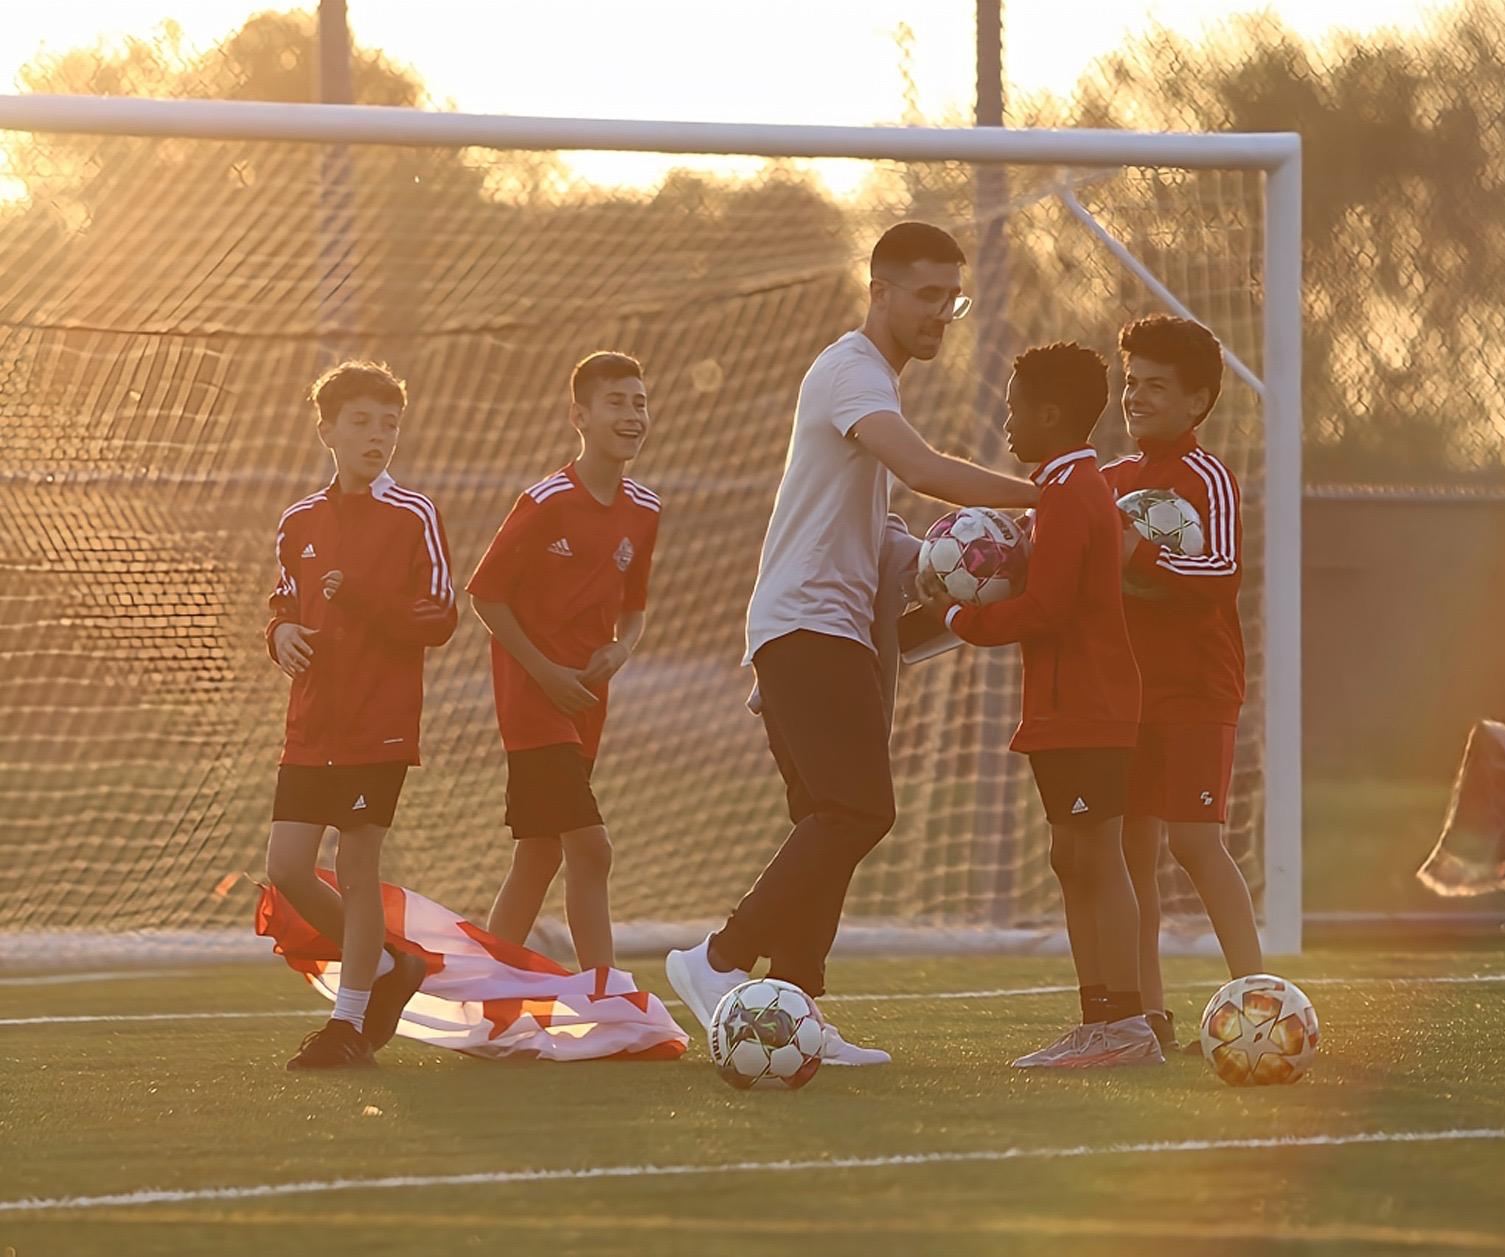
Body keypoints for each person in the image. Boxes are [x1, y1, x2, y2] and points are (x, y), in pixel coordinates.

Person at [665, 221, 1039, 1065]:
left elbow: (882, 535)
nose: (942, 314)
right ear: (878, 292)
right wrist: (1043, 496)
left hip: (815, 633)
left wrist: (952, 569)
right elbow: (924, 469)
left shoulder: (873, 384)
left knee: (825, 818)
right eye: (926, 296)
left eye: (954, 299)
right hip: (808, 627)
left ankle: (796, 1010)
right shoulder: (851, 371)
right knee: (857, 809)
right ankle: (715, 958)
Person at [925, 341, 1163, 1069]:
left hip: (1087, 704)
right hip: (1063, 709)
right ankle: (1099, 1019)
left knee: (1100, 856)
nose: (1005, 421)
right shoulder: (1061, 485)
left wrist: (964, 621)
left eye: (1013, 406)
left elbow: (1050, 606)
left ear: (1050, 413)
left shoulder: (1068, 490)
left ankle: (1126, 1025)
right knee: (1071, 857)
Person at [264, 360, 456, 1069]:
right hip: (312, 722)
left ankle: (349, 1025)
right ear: (328, 431)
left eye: (390, 423)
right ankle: (385, 967)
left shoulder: (414, 514)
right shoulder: (298, 520)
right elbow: (284, 600)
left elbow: (441, 615)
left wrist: (365, 597)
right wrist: (280, 633)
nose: (379, 435)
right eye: (363, 422)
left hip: (379, 723)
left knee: (356, 865)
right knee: (286, 866)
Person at [1101, 315, 1262, 1054]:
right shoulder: (1110, 481)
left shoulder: (1208, 479)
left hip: (1197, 690)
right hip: (1128, 694)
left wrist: (1138, 552)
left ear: (1197, 402)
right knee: (1130, 856)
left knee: (1196, 842)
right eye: (1131, 383)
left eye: (1156, 387)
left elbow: (1219, 571)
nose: (1136, 397)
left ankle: (1257, 999)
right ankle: (1149, 1016)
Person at [467, 352, 660, 971]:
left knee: (540, 854)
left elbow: (634, 608)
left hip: (585, 704)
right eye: (616, 403)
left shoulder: (645, 509)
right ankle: (604, 991)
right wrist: (545, 671)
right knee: (591, 848)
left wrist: (621, 649)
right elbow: (486, 595)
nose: (632, 415)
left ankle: (485, 984)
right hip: (533, 703)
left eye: (640, 402)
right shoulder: (545, 500)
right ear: (579, 415)